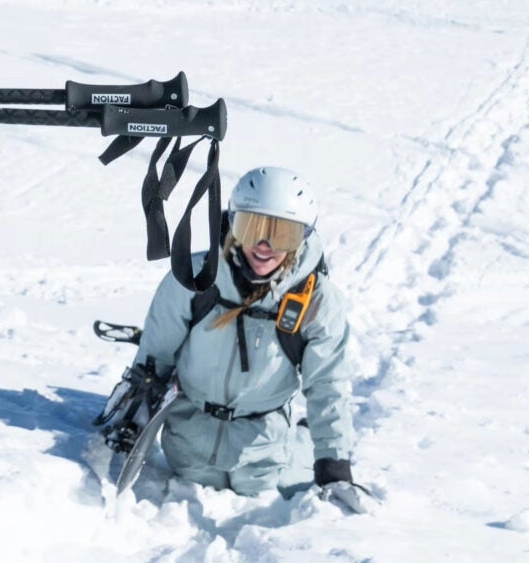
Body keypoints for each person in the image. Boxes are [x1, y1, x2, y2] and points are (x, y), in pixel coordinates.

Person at [100, 166, 364, 511]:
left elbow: (327, 384)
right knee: (195, 480)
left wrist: (334, 466)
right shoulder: (194, 278)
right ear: (233, 222)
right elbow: (155, 358)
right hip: (188, 442)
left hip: (266, 449)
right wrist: (132, 420)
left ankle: (301, 436)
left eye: (282, 234)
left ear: (303, 236)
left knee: (281, 487)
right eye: (253, 227)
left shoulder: (317, 300)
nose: (265, 246)